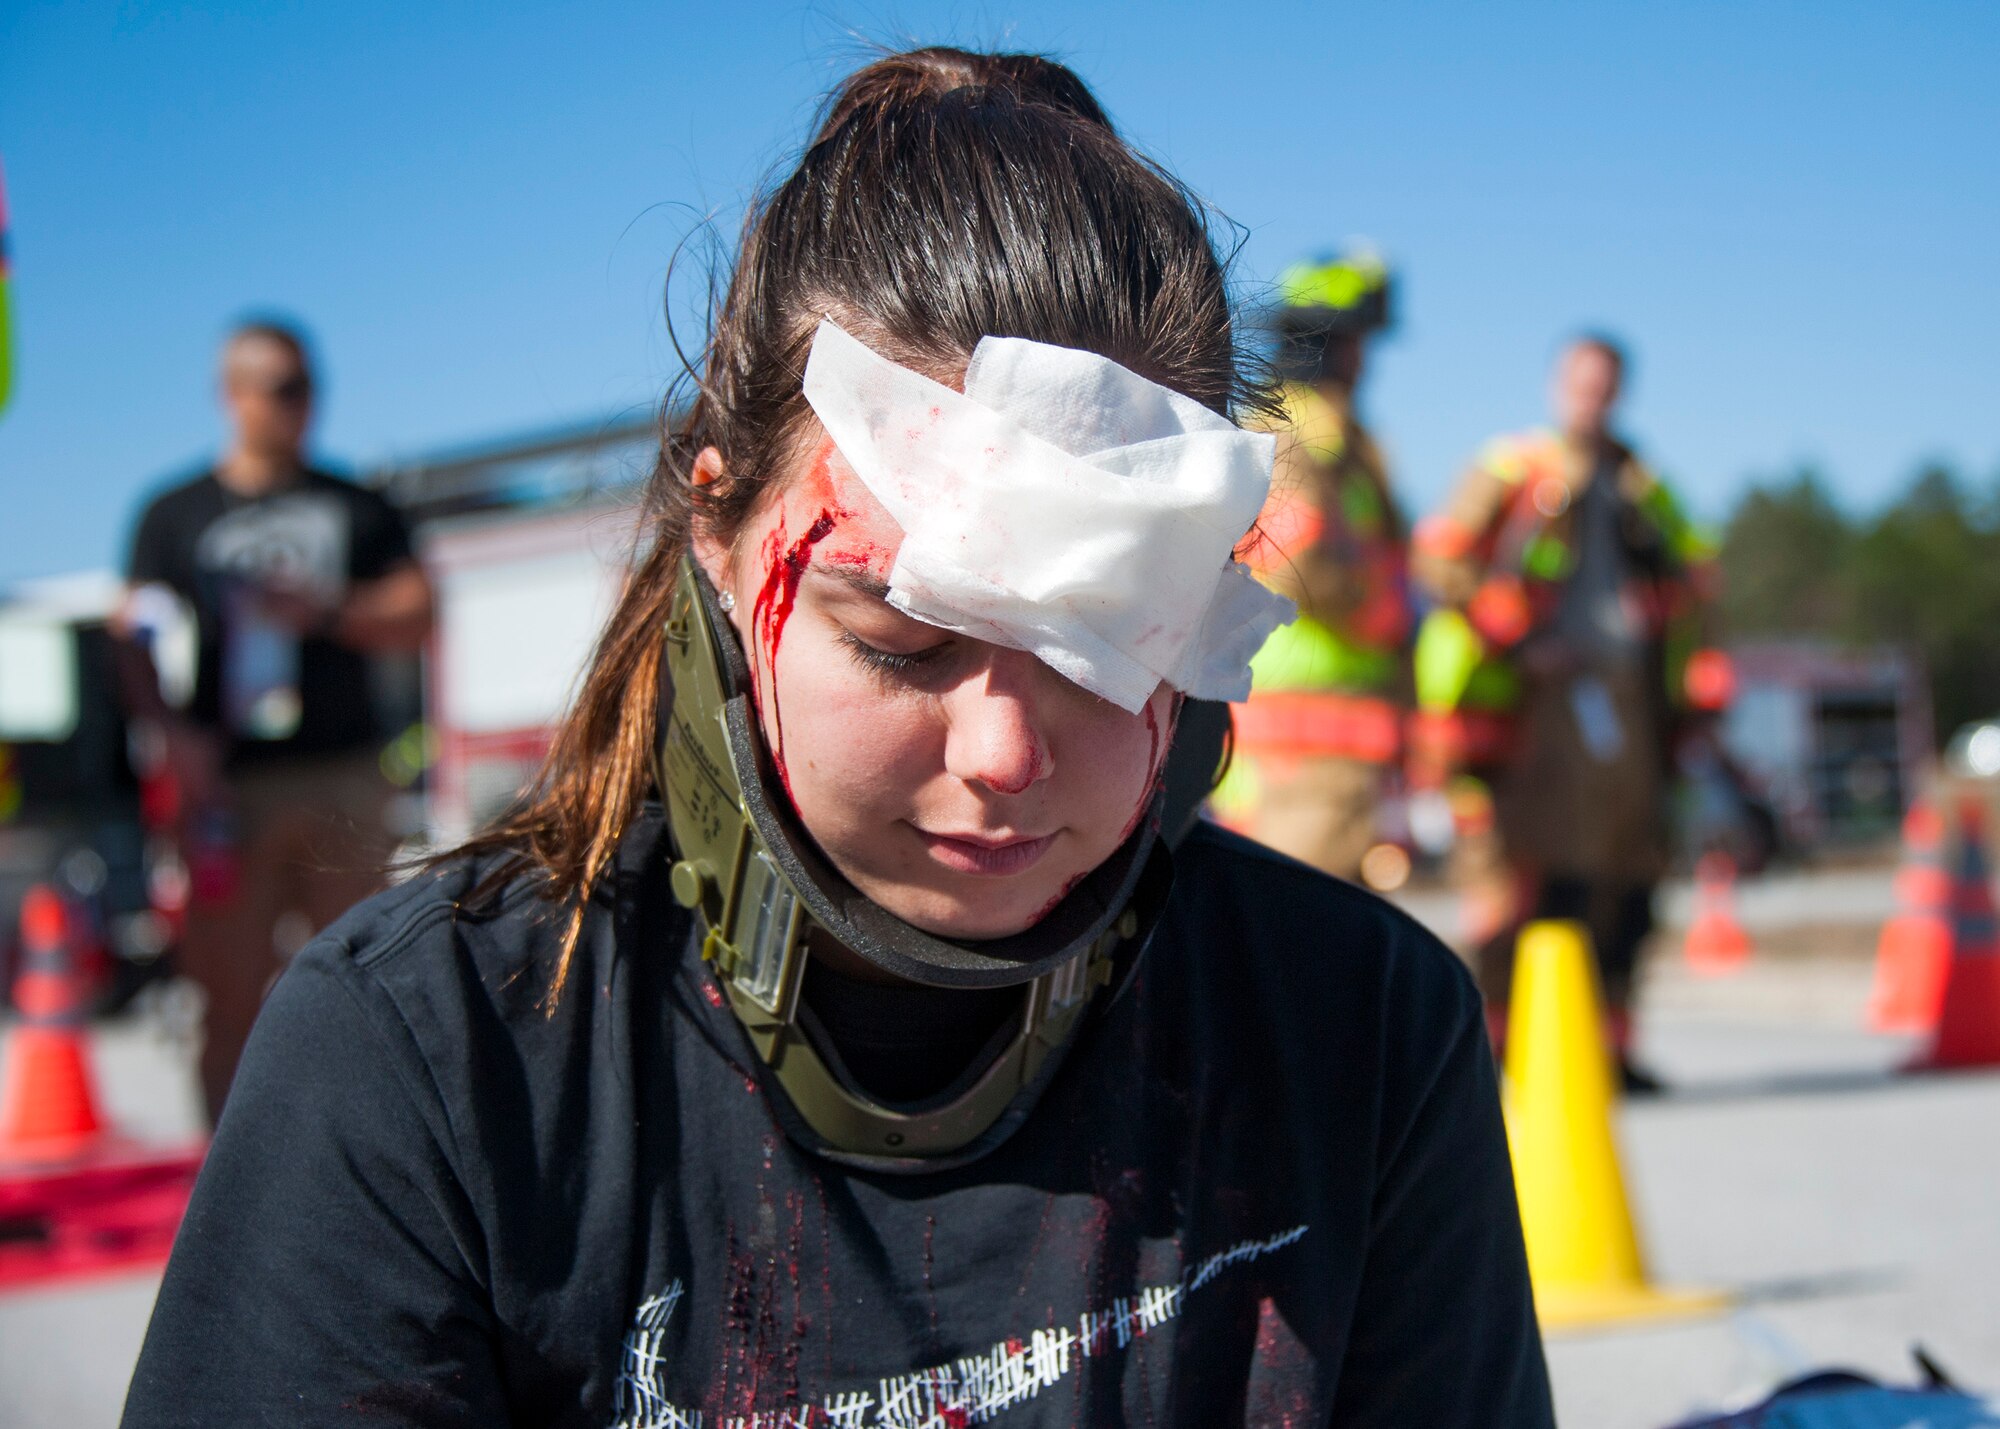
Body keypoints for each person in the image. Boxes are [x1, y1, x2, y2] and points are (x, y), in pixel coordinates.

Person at [124, 51, 1552, 1426]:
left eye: (1101, 644)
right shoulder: (426, 1062)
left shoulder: (1362, 1038)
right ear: (725, 539)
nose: (1004, 749)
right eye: (901, 637)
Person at [113, 319, 433, 1119]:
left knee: (371, 982)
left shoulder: (353, 502)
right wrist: (171, 737)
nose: (301, 405)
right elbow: (130, 637)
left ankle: (368, 1166)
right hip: (231, 788)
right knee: (227, 996)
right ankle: (230, 1182)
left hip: (342, 775)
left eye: (307, 385)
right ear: (233, 396)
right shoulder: (174, 513)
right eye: (281, 387)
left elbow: (418, 608)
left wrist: (322, 608)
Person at [1410, 334, 1725, 1091]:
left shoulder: (1643, 483)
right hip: (1543, 705)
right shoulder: (1514, 467)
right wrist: (1521, 641)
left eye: (1607, 385)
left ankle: (1608, 1047)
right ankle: (1512, 1045)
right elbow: (1441, 559)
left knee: (1628, 874)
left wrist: (1698, 695)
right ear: (1559, 383)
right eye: (1583, 383)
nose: (1594, 398)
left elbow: (1699, 582)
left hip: (1633, 705)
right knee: (1539, 876)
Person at [1212, 250, 1411, 882]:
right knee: (1299, 914)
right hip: (1303, 723)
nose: (1364, 362)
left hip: (1332, 720)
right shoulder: (1298, 429)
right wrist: (1388, 612)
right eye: (1355, 342)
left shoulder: (1327, 431)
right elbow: (1302, 548)